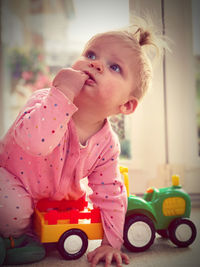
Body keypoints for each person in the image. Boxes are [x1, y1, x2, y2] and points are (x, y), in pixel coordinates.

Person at [0, 21, 163, 266]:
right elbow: (36, 143)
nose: (95, 64)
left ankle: (30, 232)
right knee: (12, 208)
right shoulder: (45, 101)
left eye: (114, 67)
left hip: (55, 200)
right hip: (12, 179)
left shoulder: (107, 145)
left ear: (126, 106)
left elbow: (111, 193)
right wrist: (62, 94)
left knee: (80, 209)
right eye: (91, 54)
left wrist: (110, 244)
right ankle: (16, 238)